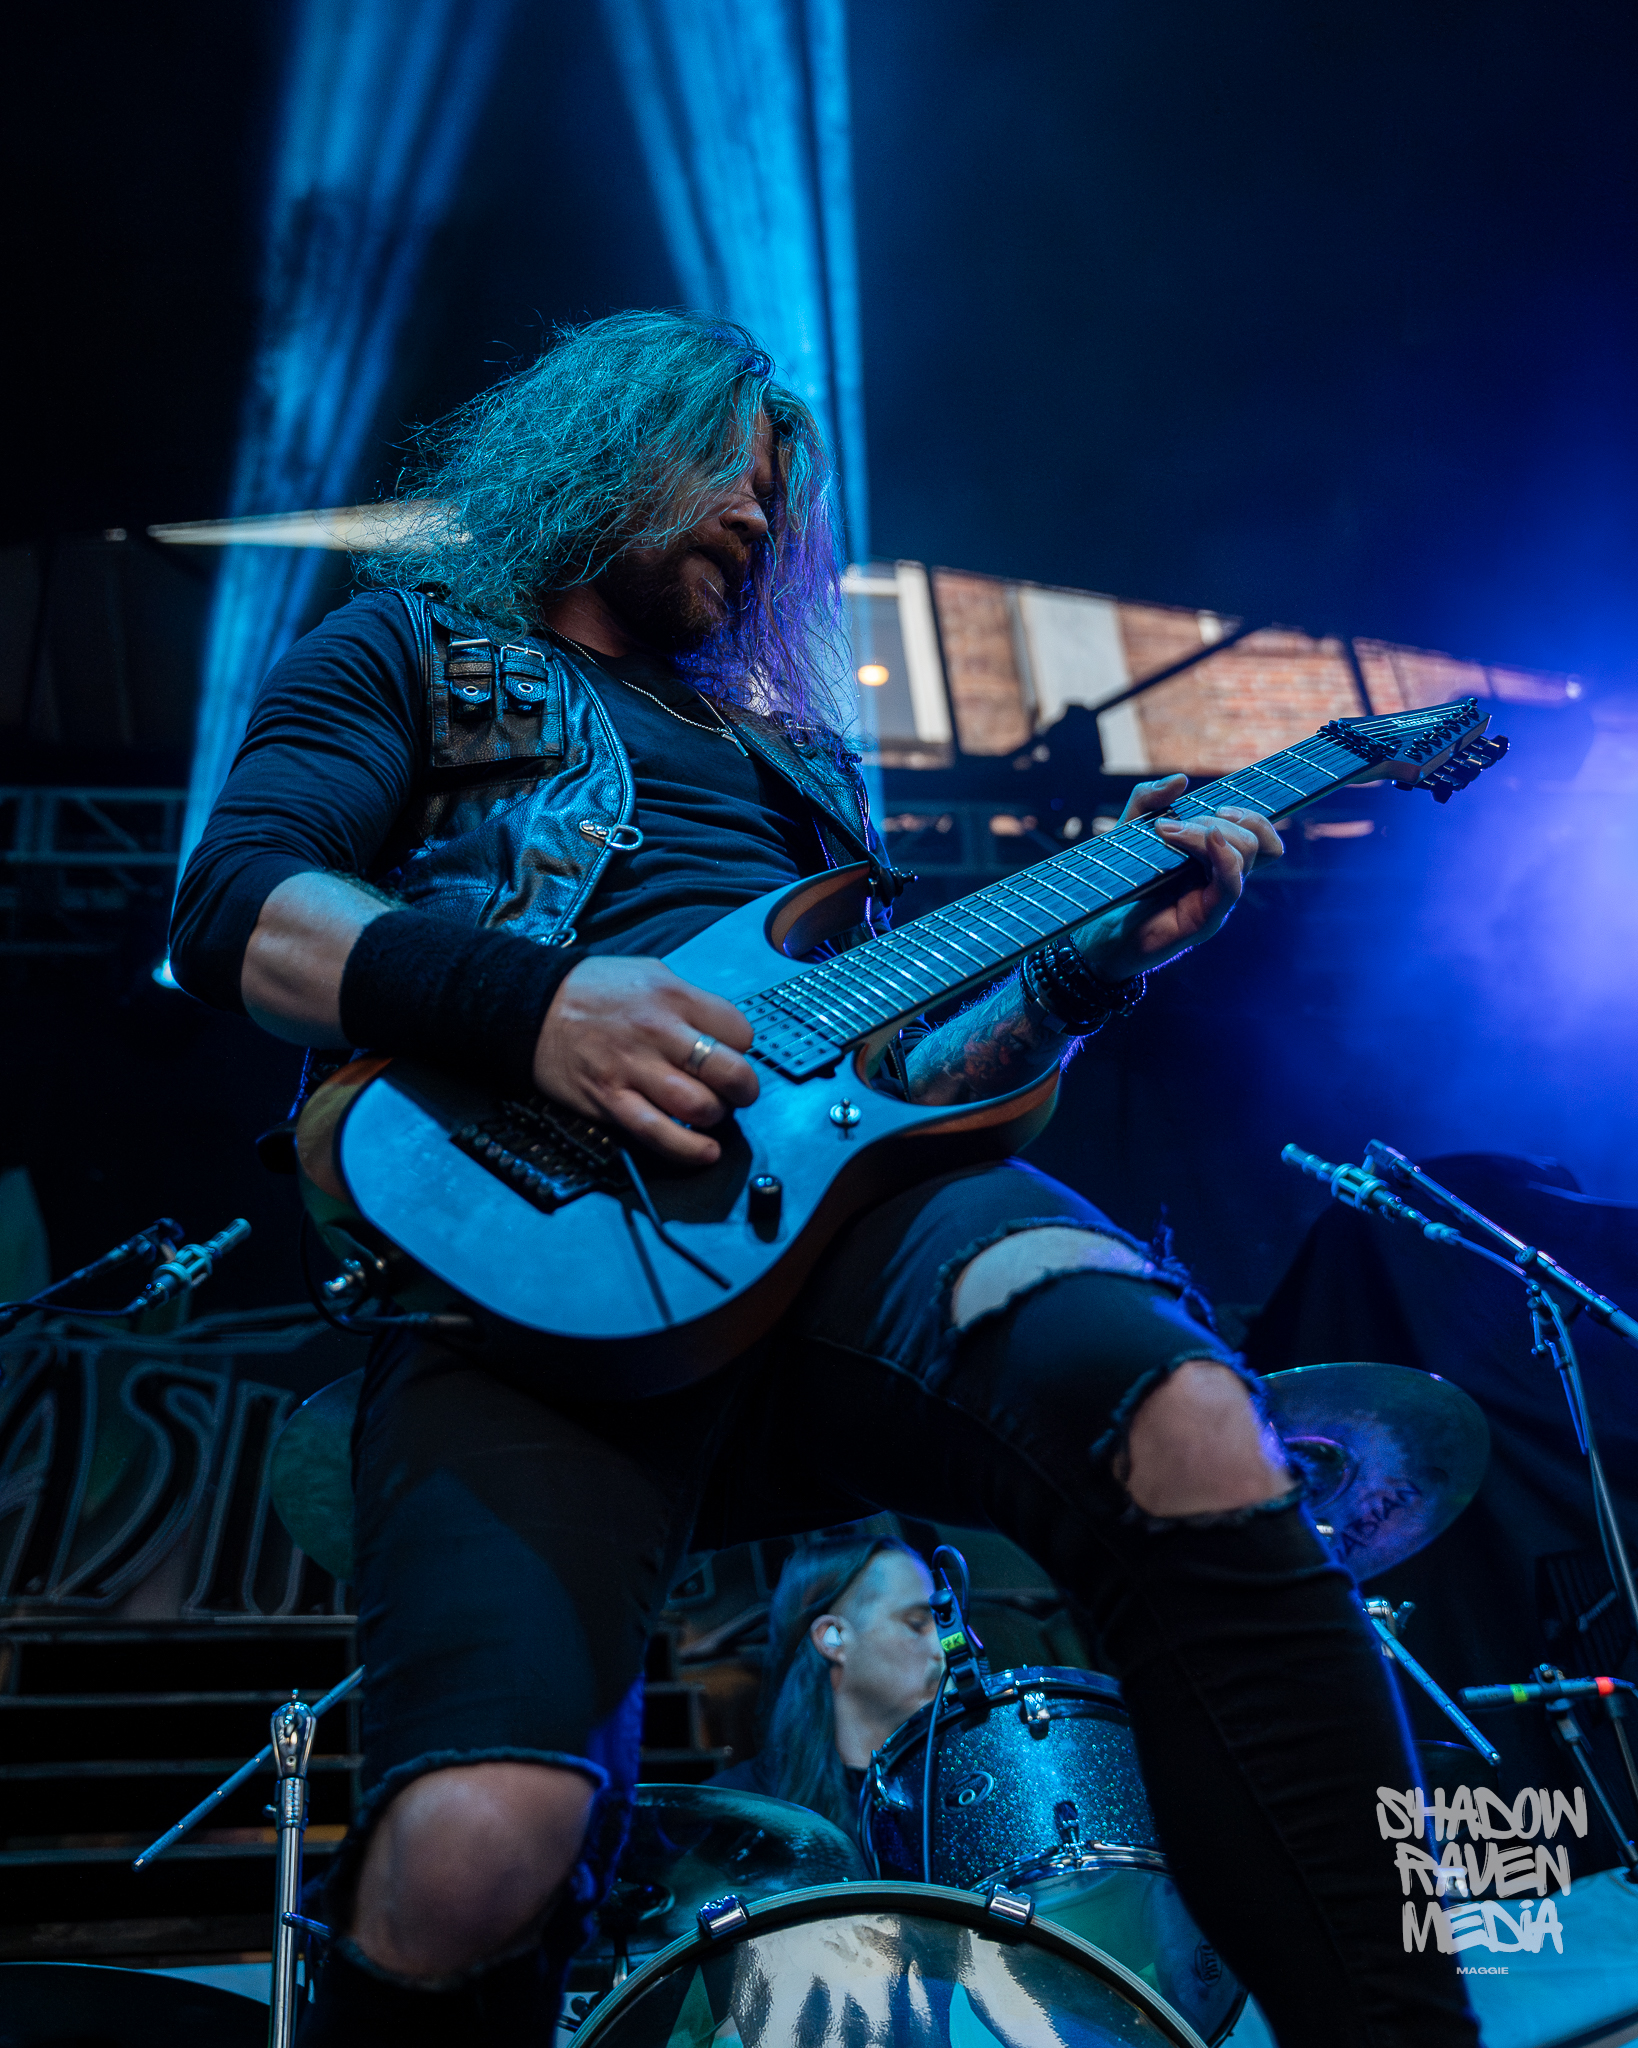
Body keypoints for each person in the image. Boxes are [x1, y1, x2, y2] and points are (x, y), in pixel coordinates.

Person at [170, 309, 1475, 2047]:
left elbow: (907, 1087)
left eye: (780, 497)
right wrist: (536, 1004)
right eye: (727, 466)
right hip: (516, 1282)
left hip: (831, 1244)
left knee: (1191, 1424)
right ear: (601, 446)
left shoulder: (804, 769)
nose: (756, 517)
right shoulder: (413, 648)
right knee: (476, 1845)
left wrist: (1090, 965)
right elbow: (238, 910)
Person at [711, 1536, 943, 1843]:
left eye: (943, 1622)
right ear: (832, 1638)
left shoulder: (962, 1794)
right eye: (916, 1623)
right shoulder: (734, 1811)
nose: (943, 1647)